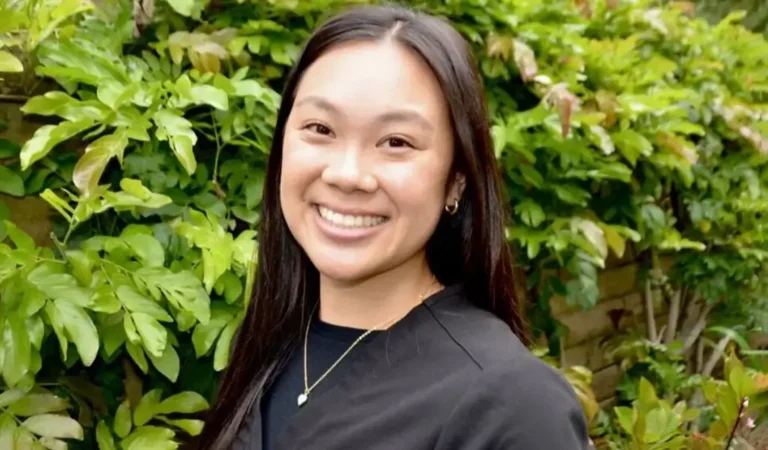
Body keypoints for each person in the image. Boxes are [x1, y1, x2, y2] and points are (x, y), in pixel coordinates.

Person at [195, 4, 591, 450]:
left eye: (396, 142)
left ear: (456, 180)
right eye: (320, 128)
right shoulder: (272, 345)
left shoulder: (512, 403)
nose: (347, 174)